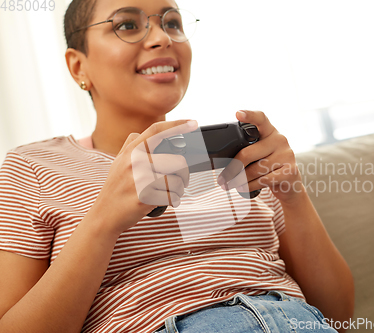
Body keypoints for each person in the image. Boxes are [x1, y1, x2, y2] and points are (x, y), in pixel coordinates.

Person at [0, 0, 355, 332]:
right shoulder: (33, 167)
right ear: (79, 66)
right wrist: (103, 222)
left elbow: (338, 315)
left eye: (172, 22)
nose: (161, 38)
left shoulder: (240, 157)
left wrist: (294, 196)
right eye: (126, 24)